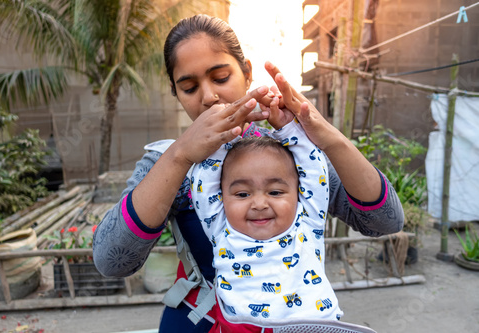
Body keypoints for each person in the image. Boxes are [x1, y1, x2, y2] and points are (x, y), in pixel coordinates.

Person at [93, 14, 404, 333]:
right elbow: (112, 262)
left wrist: (326, 135)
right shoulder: (167, 162)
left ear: (246, 73)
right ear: (176, 93)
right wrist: (179, 156)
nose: (208, 97)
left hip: (294, 321)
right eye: (188, 87)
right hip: (200, 320)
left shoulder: (289, 152)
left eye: (221, 77)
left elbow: (385, 222)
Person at [191, 118, 343, 331]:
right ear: (222, 197)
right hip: (240, 327)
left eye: (275, 192)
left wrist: (288, 127)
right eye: (243, 194)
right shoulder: (221, 228)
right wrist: (226, 137)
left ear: (298, 193)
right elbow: (202, 185)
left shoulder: (307, 222)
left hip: (312, 327)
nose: (260, 204)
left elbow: (314, 168)